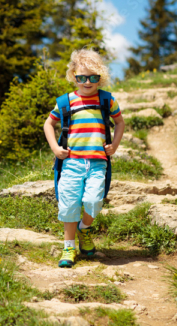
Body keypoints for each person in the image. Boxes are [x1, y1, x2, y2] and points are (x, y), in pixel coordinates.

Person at [43, 49, 125, 267]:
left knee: (94, 201)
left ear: (100, 77)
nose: (87, 82)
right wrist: (54, 147)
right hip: (71, 163)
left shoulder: (107, 100)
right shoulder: (66, 102)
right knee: (69, 204)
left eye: (93, 77)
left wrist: (114, 145)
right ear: (73, 76)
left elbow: (120, 123)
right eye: (81, 77)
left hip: (98, 162)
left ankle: (84, 229)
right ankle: (69, 247)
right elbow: (48, 124)